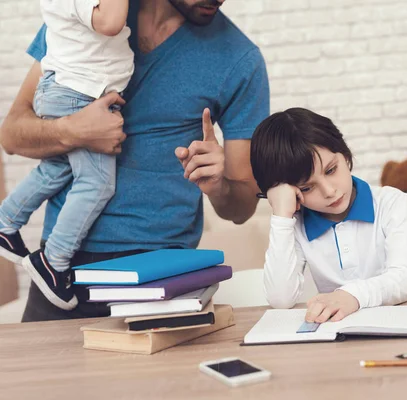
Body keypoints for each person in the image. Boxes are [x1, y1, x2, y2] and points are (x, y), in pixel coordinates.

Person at [0, 0, 269, 322]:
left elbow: (241, 209)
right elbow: (12, 135)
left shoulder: (239, 58)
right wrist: (72, 131)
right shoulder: (91, 13)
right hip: (59, 266)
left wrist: (218, 184)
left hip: (161, 274)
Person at [0, 0, 134, 311]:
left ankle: (6, 221)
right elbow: (111, 21)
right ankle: (53, 261)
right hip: (76, 94)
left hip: (71, 89)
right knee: (97, 183)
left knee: (57, 169)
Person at [250, 108, 407, 323]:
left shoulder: (390, 202)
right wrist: (282, 217)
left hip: (404, 324)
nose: (329, 191)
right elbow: (280, 299)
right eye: (306, 188)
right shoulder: (295, 224)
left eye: (331, 170)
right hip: (339, 336)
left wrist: (351, 296)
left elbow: (406, 278)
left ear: (345, 154)